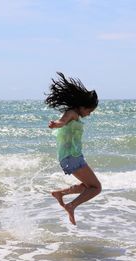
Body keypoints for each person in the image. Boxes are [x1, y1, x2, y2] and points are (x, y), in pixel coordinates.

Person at [45, 72, 101, 225]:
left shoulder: (74, 114)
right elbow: (62, 121)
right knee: (96, 188)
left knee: (86, 186)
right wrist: (56, 124)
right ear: (82, 107)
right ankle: (71, 206)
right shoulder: (71, 113)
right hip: (72, 157)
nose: (88, 115)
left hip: (72, 156)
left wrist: (59, 124)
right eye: (89, 111)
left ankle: (60, 193)